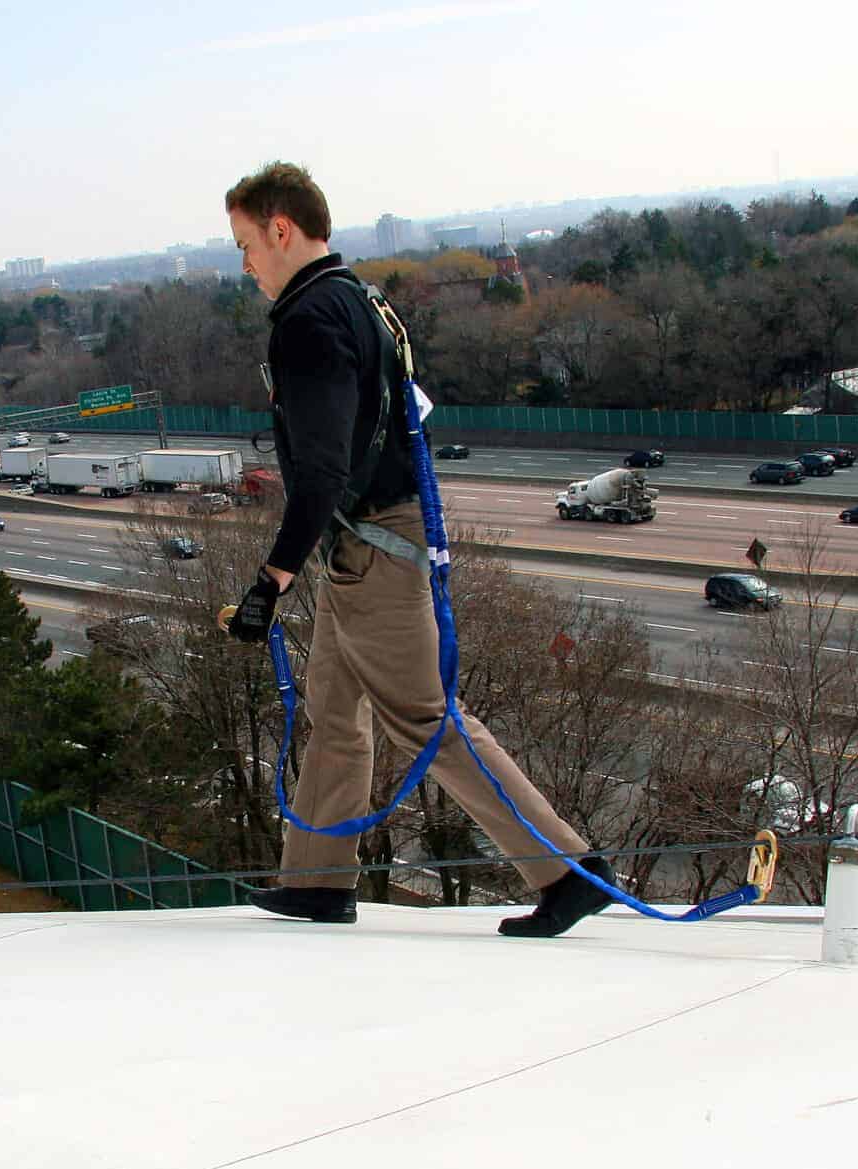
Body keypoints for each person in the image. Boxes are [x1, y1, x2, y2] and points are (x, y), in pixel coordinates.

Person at [224, 162, 616, 937]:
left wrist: (272, 579)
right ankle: (316, 880)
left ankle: (568, 871)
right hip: (367, 543)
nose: (245, 265)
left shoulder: (308, 321)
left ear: (281, 230)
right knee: (336, 714)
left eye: (245, 245)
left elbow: (324, 467)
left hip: (371, 547)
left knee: (428, 721)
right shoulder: (361, 299)